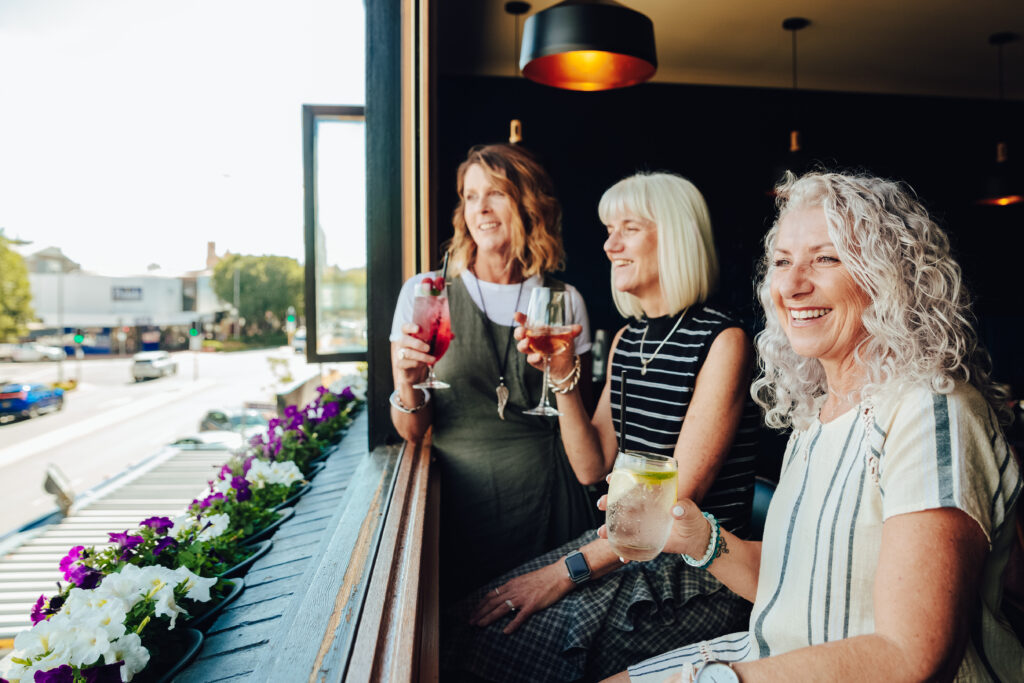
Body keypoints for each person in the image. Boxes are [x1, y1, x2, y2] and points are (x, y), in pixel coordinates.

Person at [610, 171, 1024, 682]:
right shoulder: (816, 414)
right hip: (777, 656)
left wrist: (717, 680)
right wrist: (700, 539)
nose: (790, 284)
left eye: (826, 258)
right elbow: (800, 589)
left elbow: (910, 655)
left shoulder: (931, 411)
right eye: (782, 262)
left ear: (889, 275)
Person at [444, 172, 761, 682]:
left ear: (675, 236)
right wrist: (560, 374)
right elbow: (591, 463)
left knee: (488, 651)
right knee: (462, 624)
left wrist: (561, 573)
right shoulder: (626, 341)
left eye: (627, 229)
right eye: (608, 230)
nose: (610, 245)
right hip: (619, 546)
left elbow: (672, 506)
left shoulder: (723, 341)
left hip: (696, 574)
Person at [390, 143, 596, 602]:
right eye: (469, 196)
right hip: (464, 510)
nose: (479, 209)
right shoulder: (426, 293)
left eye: (495, 194)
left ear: (526, 203)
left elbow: (576, 415)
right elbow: (412, 431)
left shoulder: (564, 299)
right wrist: (406, 383)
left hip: (552, 503)